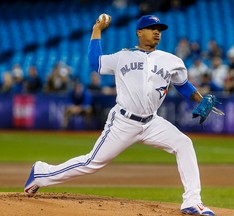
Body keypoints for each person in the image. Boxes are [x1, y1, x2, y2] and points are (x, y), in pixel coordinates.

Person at [24, 14, 217, 216]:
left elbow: (183, 85)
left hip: (152, 123)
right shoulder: (122, 56)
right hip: (123, 122)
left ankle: (192, 201)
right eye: (152, 28)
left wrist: (199, 99)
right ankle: (41, 173)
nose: (157, 31)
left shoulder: (172, 60)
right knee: (91, 163)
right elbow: (95, 62)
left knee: (184, 143)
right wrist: (96, 30)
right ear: (139, 32)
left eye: (159, 28)